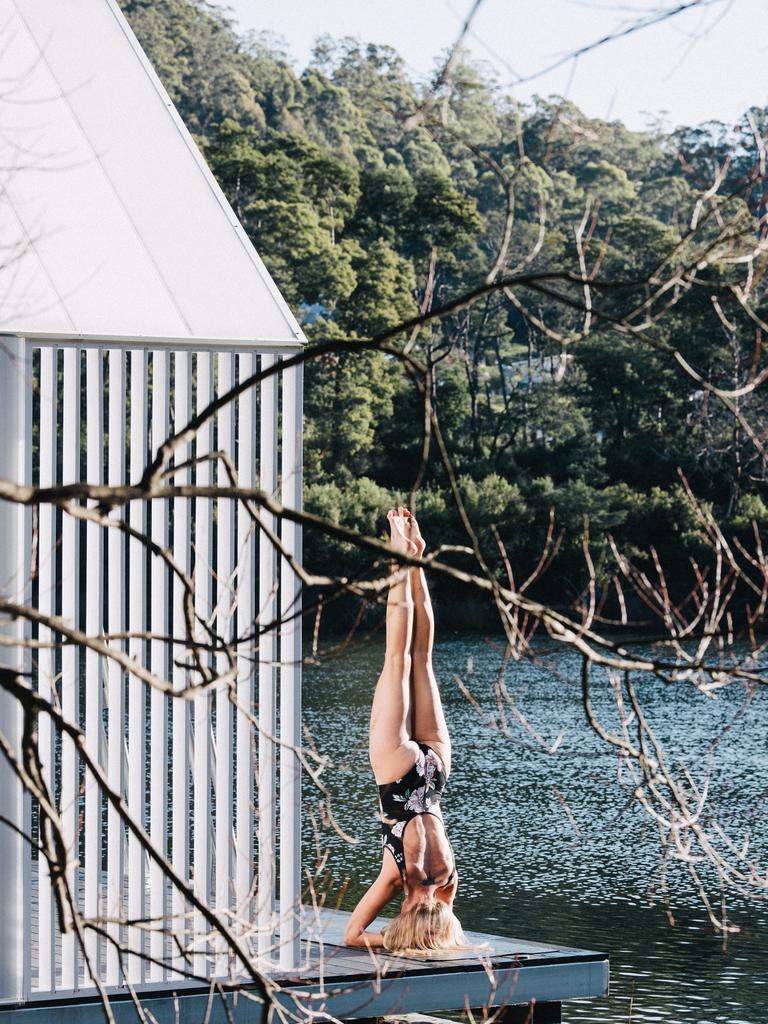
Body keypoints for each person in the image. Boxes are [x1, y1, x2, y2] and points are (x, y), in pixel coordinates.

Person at [343, 507, 466, 954]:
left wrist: (429, 936)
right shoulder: (398, 875)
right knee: (397, 658)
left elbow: (443, 930)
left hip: (435, 770)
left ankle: (416, 559)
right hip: (397, 772)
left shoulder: (449, 884)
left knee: (423, 658)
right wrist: (391, 941)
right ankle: (399, 556)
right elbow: (352, 936)